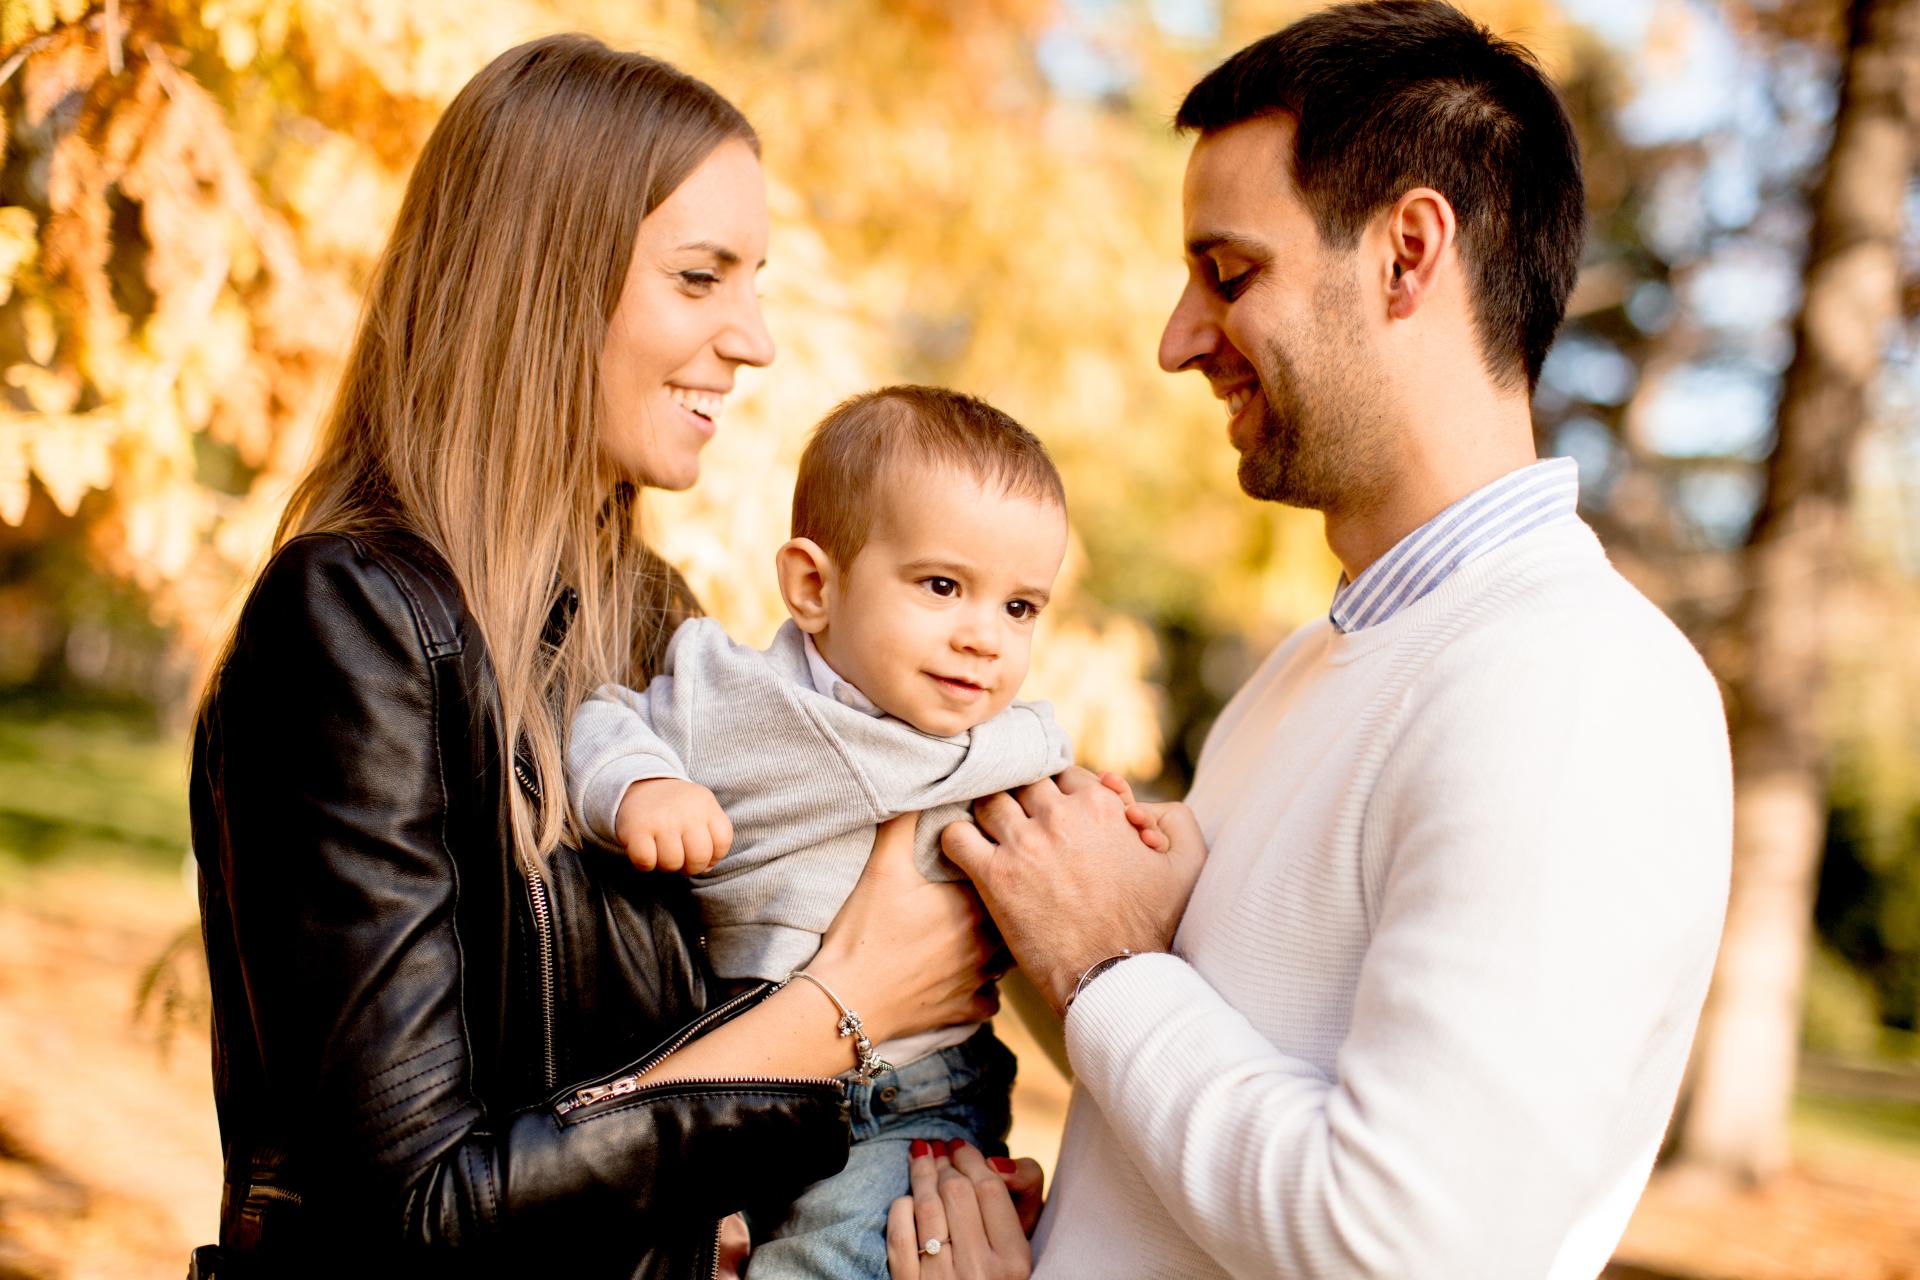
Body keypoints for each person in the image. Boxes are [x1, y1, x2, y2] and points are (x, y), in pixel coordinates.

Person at [911, 3, 1735, 1276]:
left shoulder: (1583, 691)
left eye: (1229, 273)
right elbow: (1190, 1084)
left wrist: (1106, 964)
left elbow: (1399, 1246)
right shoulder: (1308, 670)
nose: (1179, 339)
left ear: (1409, 253)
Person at [189, 36, 1029, 1279]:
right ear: (543, 282)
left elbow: (650, 1108)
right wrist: (842, 1010)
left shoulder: (650, 623)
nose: (754, 340)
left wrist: (852, 1200)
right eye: (701, 277)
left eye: (752, 283)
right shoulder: (356, 621)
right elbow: (413, 1208)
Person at [565, 384, 1156, 1278]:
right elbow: (599, 720)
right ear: (814, 585)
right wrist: (642, 786)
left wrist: (1124, 838)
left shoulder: (1008, 748)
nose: (985, 639)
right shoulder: (730, 697)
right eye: (944, 586)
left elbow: (1071, 852)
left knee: (844, 1256)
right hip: (728, 1066)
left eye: (1020, 608)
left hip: (905, 1102)